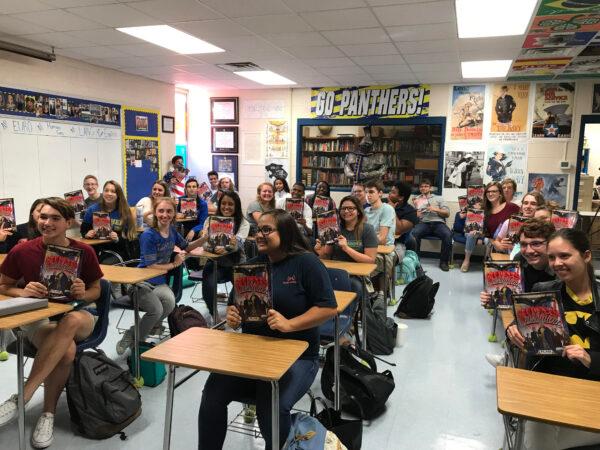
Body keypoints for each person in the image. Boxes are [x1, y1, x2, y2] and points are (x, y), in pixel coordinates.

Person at [198, 209, 337, 450]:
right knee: (212, 393)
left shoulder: (307, 263)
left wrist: (290, 324)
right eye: (257, 230)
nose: (259, 235)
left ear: (285, 232)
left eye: (266, 230)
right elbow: (236, 305)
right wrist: (233, 315)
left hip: (299, 355)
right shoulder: (250, 266)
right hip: (253, 355)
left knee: (271, 405)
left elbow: (328, 308)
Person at [0, 197, 103, 449]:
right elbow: (3, 285)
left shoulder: (84, 251)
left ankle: (23, 396)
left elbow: (96, 291)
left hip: (80, 315)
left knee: (69, 321)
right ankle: (48, 414)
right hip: (40, 317)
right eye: (43, 217)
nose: (47, 222)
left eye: (55, 218)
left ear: (68, 222)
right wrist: (22, 292)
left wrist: (82, 292)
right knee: (65, 350)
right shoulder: (22, 251)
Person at [505, 229, 600, 450]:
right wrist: (513, 331)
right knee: (542, 432)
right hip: (549, 389)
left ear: (586, 256)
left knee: (542, 440)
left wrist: (589, 358)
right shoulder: (543, 291)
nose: (557, 263)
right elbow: (525, 330)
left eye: (565, 256)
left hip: (591, 394)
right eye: (552, 257)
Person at [116, 197, 205, 354]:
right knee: (156, 310)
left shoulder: (172, 232)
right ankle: (137, 342)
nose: (165, 215)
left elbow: (187, 246)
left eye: (169, 211)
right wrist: (174, 264)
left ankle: (134, 331)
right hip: (140, 281)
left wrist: (205, 238)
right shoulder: (148, 235)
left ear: (174, 213)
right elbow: (151, 266)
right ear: (155, 213)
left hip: (159, 282)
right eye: (161, 211)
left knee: (170, 304)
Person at [315, 195, 377, 309]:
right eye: (343, 209)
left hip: (356, 275)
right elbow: (327, 256)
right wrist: (320, 251)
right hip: (334, 271)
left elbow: (370, 260)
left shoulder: (367, 229)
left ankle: (348, 317)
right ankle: (325, 315)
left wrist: (347, 248)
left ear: (358, 211)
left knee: (354, 286)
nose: (346, 211)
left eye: (350, 208)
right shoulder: (335, 228)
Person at [195, 191, 249, 317]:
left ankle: (236, 312)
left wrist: (229, 248)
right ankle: (214, 314)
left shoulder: (243, 223)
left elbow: (240, 243)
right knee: (208, 284)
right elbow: (204, 243)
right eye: (223, 203)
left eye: (230, 204)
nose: (226, 207)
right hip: (215, 262)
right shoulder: (210, 220)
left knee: (243, 287)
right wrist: (213, 248)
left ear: (236, 206)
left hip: (236, 262)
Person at [80, 180, 138, 261]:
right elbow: (83, 231)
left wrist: (117, 239)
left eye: (113, 191)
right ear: (102, 192)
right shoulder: (92, 209)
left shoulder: (124, 211)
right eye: (106, 190)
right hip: (96, 250)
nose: (109, 193)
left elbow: (130, 238)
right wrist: (87, 234)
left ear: (118, 195)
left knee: (104, 264)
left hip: (118, 251)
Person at [411, 179, 452, 271]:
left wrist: (435, 209)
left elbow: (447, 213)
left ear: (430, 188)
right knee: (414, 234)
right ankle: (416, 262)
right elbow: (413, 216)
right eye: (421, 186)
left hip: (438, 223)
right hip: (424, 223)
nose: (423, 188)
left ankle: (444, 262)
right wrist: (416, 214)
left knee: (448, 235)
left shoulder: (438, 198)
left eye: (426, 186)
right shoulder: (417, 199)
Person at [492, 191, 545, 255]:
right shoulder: (509, 222)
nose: (528, 206)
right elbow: (496, 242)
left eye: (533, 204)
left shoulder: (544, 225)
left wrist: (514, 248)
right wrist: (502, 246)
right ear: (522, 206)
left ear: (540, 206)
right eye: (525, 203)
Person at [387, 180, 417, 250]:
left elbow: (398, 230)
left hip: (399, 243)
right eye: (390, 191)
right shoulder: (383, 203)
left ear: (401, 197)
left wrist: (392, 210)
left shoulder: (410, 211)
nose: (389, 194)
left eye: (393, 192)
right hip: (380, 238)